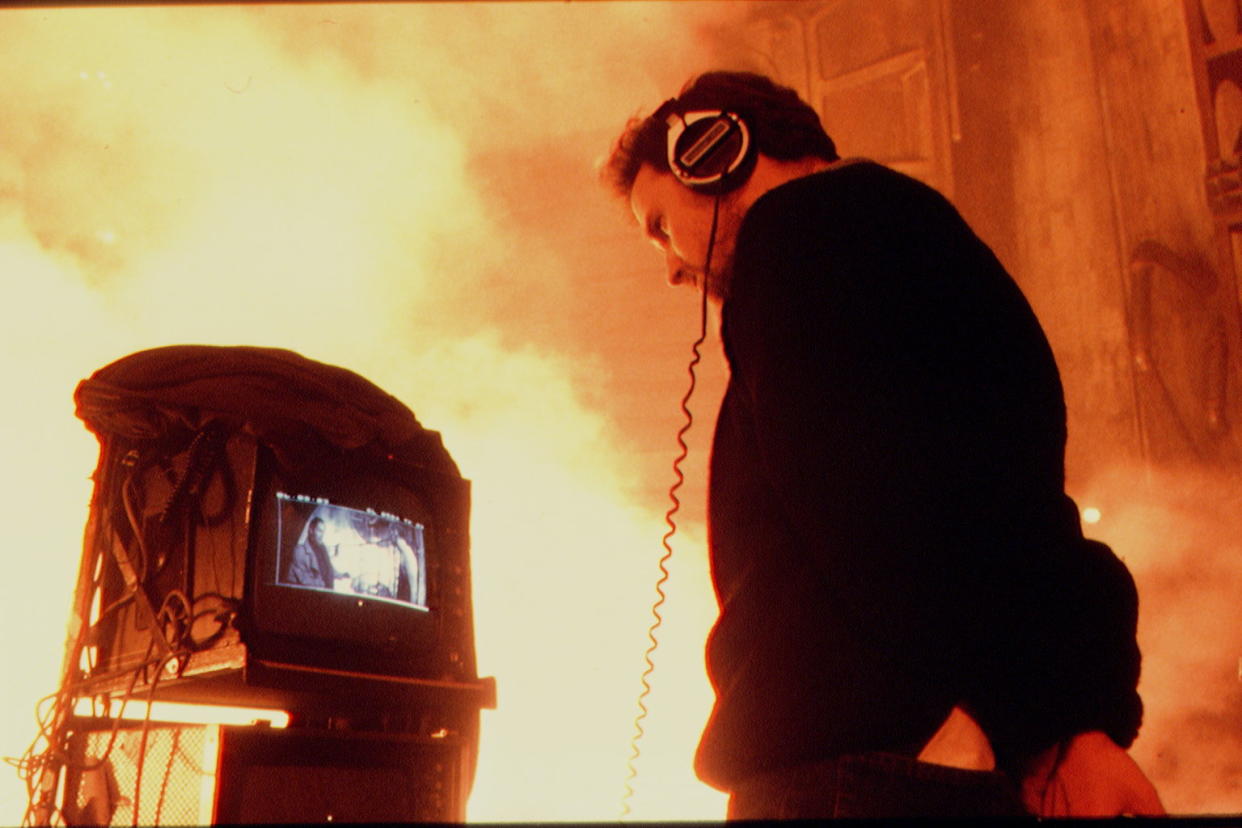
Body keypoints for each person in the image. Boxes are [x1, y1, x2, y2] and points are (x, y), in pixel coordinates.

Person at [601, 70, 1164, 818]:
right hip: (911, 762)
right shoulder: (895, 237)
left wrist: (1025, 728)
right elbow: (998, 513)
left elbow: (882, 525)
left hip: (862, 772)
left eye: (660, 225)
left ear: (714, 154)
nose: (672, 267)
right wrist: (1059, 726)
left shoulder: (802, 242)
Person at [283, 516, 335, 589]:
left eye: (323, 532)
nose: (322, 535)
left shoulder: (322, 549)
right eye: (319, 531)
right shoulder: (299, 551)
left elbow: (327, 568)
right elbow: (304, 580)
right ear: (311, 530)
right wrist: (325, 585)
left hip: (326, 592)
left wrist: (341, 575)